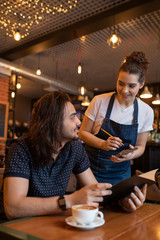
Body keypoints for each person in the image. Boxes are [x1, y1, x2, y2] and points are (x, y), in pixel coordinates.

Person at [0, 91, 147, 223]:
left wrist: (121, 201)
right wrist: (69, 201)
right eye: (72, 118)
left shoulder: (74, 148)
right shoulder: (21, 149)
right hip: (16, 228)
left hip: (51, 223)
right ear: (52, 123)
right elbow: (13, 208)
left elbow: (96, 191)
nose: (79, 122)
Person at [78, 51, 154, 184]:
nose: (124, 90)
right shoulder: (99, 101)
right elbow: (82, 133)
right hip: (90, 170)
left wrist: (131, 155)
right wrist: (103, 144)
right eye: (120, 83)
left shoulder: (146, 111)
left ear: (141, 84)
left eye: (131, 86)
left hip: (121, 174)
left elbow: (141, 146)